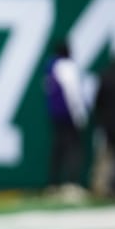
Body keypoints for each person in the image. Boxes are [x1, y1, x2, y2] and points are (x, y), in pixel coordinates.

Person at [42, 40, 88, 199]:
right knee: (73, 147)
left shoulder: (51, 66)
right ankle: (70, 183)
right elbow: (73, 93)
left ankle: (53, 183)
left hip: (56, 114)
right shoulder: (67, 67)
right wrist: (79, 114)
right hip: (69, 115)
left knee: (58, 147)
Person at [93, 57, 115, 198]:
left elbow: (98, 101)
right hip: (109, 122)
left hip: (108, 123)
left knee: (106, 156)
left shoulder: (105, 77)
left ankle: (101, 188)